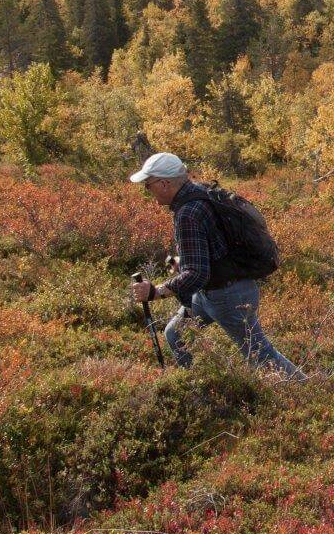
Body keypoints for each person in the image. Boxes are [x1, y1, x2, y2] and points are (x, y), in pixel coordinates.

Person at [127, 152, 304, 379]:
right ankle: (199, 388)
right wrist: (184, 261)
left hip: (228, 297)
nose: (146, 190)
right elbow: (216, 249)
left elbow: (197, 274)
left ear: (164, 183)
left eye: (147, 185)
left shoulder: (188, 213)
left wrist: (156, 291)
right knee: (176, 334)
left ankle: (310, 391)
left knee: (260, 354)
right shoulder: (202, 194)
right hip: (218, 291)